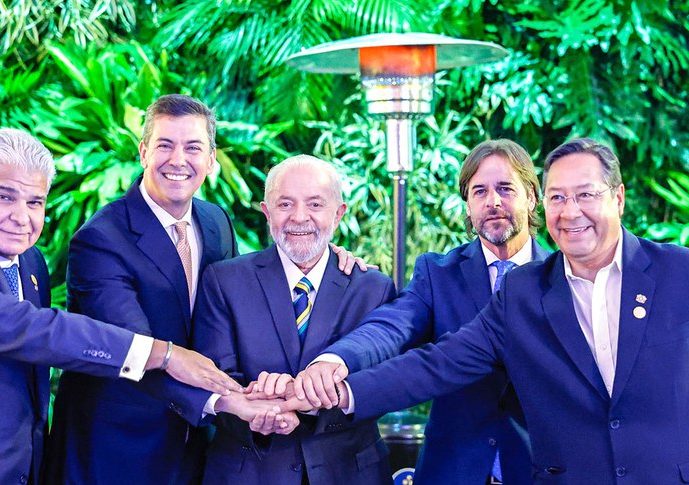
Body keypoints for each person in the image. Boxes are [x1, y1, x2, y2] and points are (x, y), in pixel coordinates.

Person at [294, 138, 689, 484]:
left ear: (617, 198)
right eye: (560, 197)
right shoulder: (511, 288)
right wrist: (336, 384)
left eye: (586, 195)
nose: (570, 211)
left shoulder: (677, 273)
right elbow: (426, 357)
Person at [45, 96, 363, 484]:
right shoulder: (100, 240)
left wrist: (325, 256)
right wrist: (228, 402)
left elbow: (250, 296)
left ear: (211, 160)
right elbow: (138, 351)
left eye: (193, 147)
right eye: (165, 145)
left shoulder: (215, 221)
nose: (178, 159)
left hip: (196, 448)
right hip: (116, 449)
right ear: (143, 151)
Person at [0, 128, 242, 485]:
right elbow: (37, 331)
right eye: (4, 197)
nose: (21, 217)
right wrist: (164, 354)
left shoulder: (30, 262)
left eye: (34, 202)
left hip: (17, 470)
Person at [309, 139, 548, 484]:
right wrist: (336, 361)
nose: (493, 202)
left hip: (536, 472)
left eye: (505, 188)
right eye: (479, 191)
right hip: (452, 472)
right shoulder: (438, 273)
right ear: (467, 205)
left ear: (531, 196)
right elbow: (393, 326)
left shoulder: (561, 279)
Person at [193, 154, 396, 484]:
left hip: (348, 473)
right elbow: (215, 380)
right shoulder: (224, 281)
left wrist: (303, 404)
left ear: (339, 212)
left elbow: (381, 388)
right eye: (285, 204)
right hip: (250, 470)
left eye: (315, 204)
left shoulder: (373, 288)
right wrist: (263, 413)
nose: (299, 217)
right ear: (266, 212)